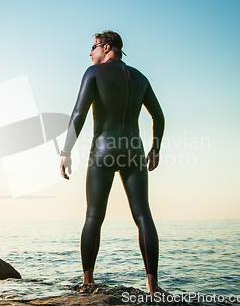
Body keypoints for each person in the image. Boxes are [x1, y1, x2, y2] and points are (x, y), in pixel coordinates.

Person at [59, 31, 166, 294]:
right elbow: (159, 116)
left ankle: (87, 282)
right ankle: (152, 286)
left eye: (93, 47)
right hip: (133, 150)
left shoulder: (93, 73)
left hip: (103, 150)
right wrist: (155, 149)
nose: (90, 52)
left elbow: (78, 114)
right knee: (143, 215)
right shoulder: (140, 77)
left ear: (106, 48)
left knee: (94, 215)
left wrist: (66, 151)